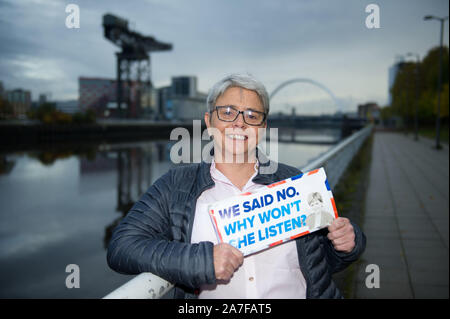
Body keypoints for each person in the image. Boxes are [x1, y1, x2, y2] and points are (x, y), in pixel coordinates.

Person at [107, 73, 366, 299]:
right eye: (227, 112)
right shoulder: (175, 186)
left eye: (252, 115)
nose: (239, 123)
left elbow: (319, 265)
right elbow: (122, 247)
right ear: (209, 121)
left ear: (263, 127)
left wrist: (347, 243)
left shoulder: (295, 182)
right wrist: (201, 261)